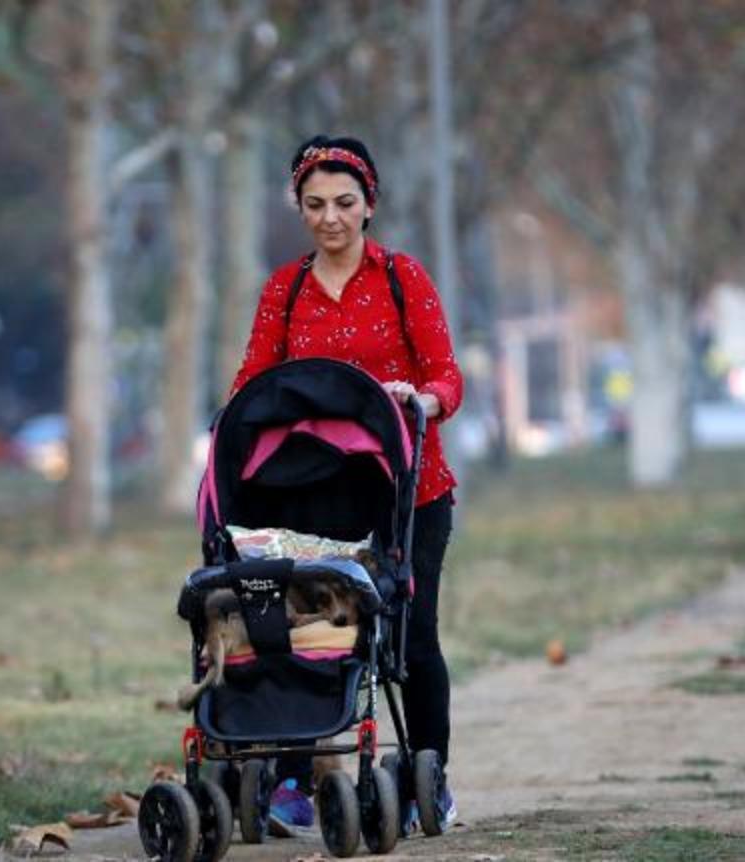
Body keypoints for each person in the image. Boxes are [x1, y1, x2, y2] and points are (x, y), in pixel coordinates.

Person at [229, 135, 463, 835]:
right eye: (314, 204)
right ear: (298, 208)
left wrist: (418, 399)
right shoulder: (287, 289)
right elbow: (253, 380)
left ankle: (430, 776)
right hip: (311, 497)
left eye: (344, 203)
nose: (330, 218)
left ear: (369, 206)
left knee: (411, 638)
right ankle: (294, 779)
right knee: (305, 632)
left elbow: (447, 375)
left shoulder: (401, 278)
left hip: (408, 491)